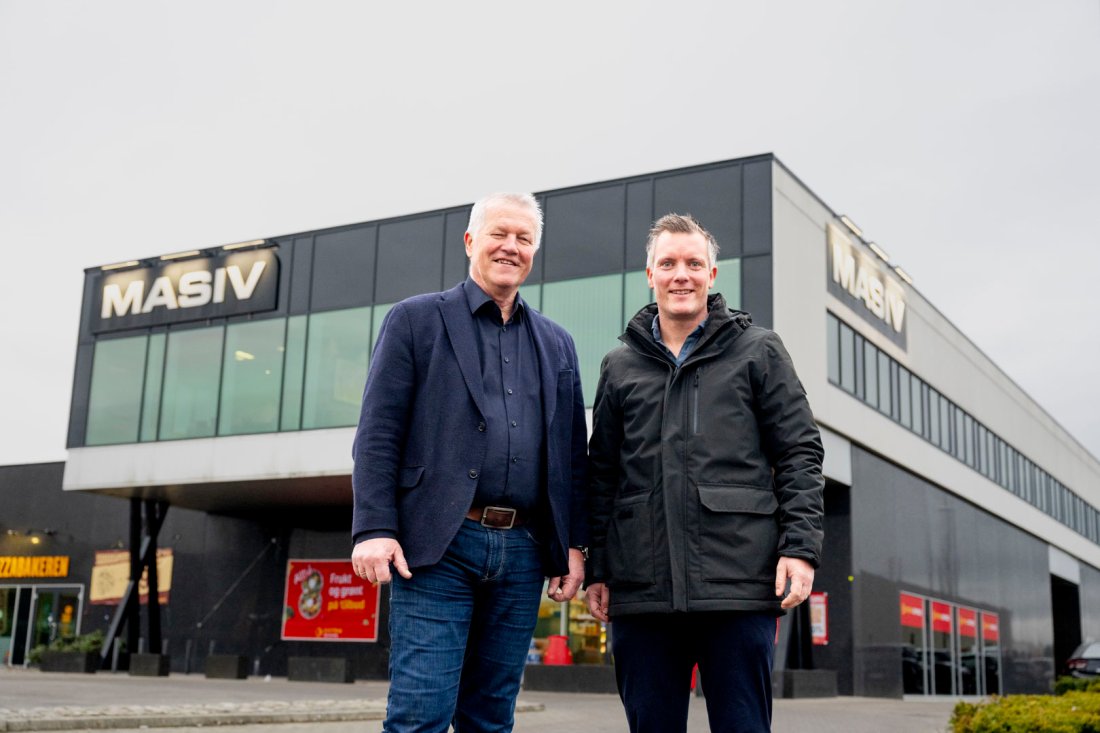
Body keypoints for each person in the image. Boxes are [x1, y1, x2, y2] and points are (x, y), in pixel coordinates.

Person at [350, 192, 588, 733]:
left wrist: (573, 544)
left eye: (524, 239)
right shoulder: (414, 321)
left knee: (490, 718)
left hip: (524, 554)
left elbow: (572, 455)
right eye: (499, 234)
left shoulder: (558, 344)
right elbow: (378, 434)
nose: (511, 246)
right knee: (421, 715)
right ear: (469, 241)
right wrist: (374, 527)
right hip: (438, 547)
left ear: (534, 251)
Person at [585, 213, 824, 733]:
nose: (681, 275)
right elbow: (601, 472)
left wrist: (800, 549)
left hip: (737, 586)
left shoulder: (758, 350)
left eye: (694, 264)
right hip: (642, 591)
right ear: (649, 274)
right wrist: (599, 568)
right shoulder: (619, 365)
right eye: (667, 263)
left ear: (712, 275)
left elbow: (800, 452)